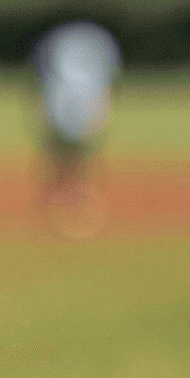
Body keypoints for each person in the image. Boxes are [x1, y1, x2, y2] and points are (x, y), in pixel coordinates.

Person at [30, 19, 121, 236]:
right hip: (84, 107)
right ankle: (79, 198)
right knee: (80, 157)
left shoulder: (59, 50)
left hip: (63, 106)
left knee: (62, 157)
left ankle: (66, 197)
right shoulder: (97, 46)